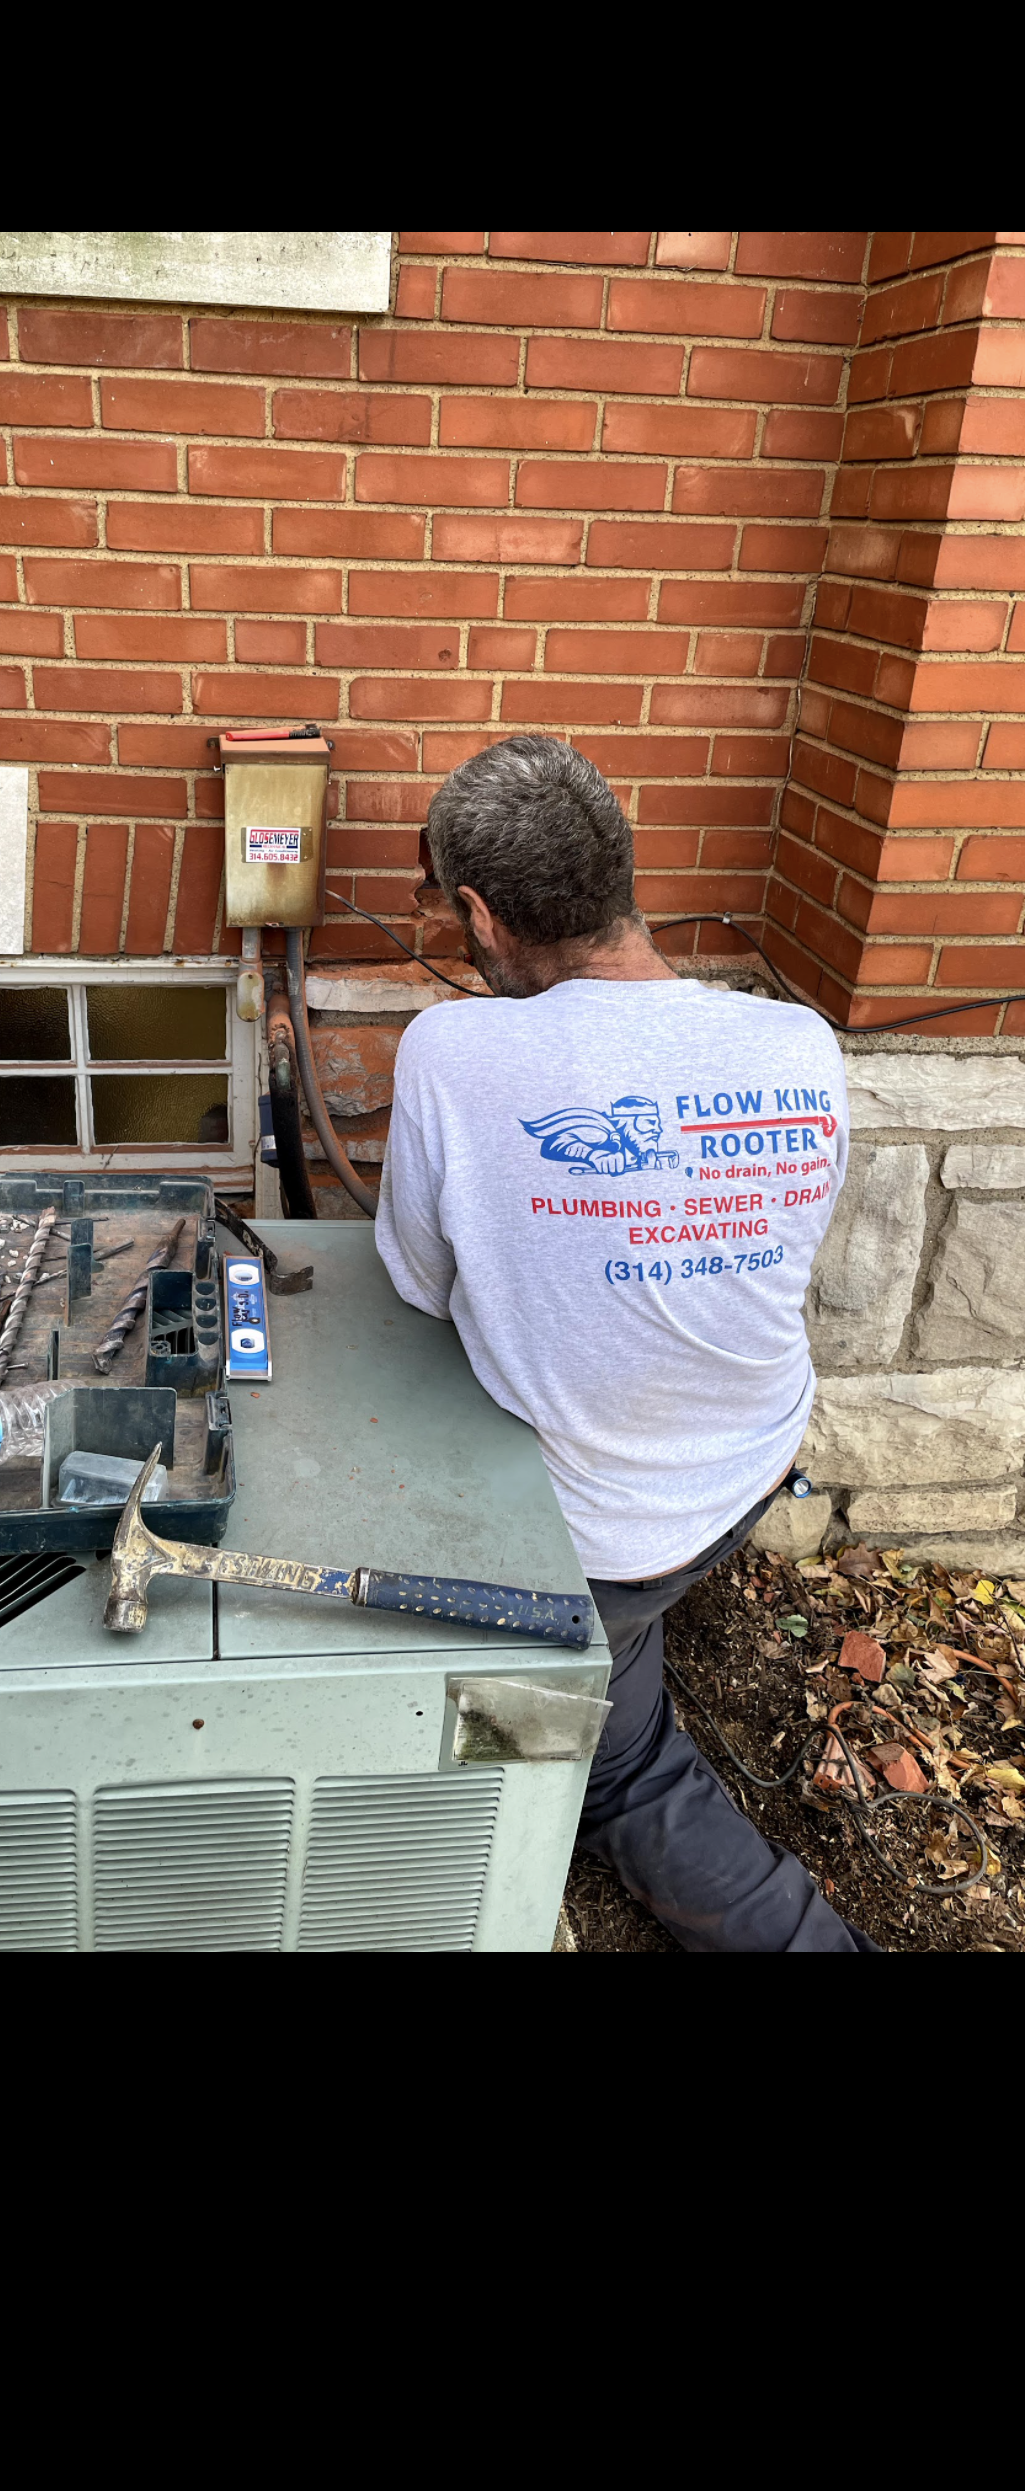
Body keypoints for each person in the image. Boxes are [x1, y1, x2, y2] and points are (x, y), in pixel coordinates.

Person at [375, 734, 875, 1953]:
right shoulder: (798, 1043)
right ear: (620, 872)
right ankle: (625, 1644)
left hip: (604, 1533)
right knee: (624, 1630)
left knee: (603, 1756)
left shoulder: (452, 1052)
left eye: (452, 915)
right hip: (748, 1468)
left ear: (484, 917)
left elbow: (417, 1290)